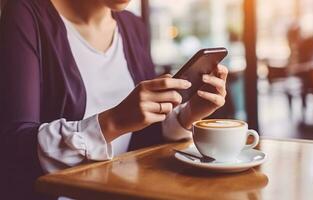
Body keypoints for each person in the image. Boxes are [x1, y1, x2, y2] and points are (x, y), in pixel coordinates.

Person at [0, 0, 228, 199]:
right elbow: (14, 144)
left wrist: (187, 115)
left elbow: (141, 136)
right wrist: (112, 123)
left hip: (127, 191)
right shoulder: (26, 14)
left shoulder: (133, 27)